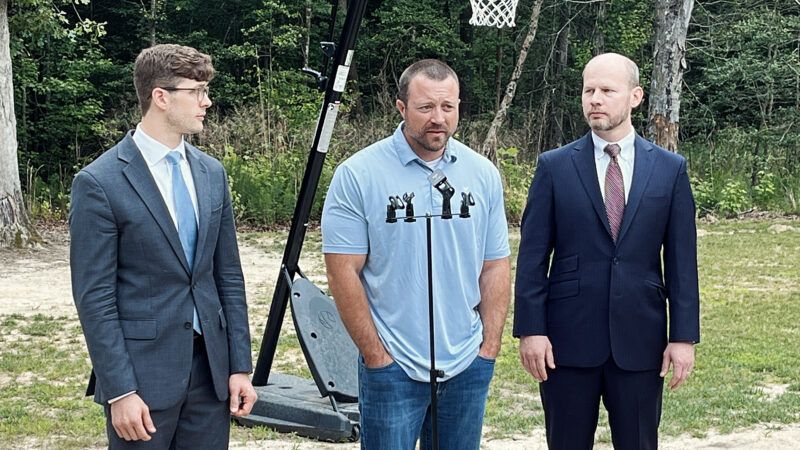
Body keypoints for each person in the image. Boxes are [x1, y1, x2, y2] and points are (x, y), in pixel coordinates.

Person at [70, 44, 256, 449]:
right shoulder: (99, 183)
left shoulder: (212, 173)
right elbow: (94, 297)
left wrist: (240, 366)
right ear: (160, 97)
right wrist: (120, 391)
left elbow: (228, 276)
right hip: (142, 381)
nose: (206, 102)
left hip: (212, 375)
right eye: (197, 91)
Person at [514, 52, 700, 450]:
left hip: (640, 342)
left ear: (635, 96)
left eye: (606, 90)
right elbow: (532, 259)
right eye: (588, 90)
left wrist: (683, 337)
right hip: (566, 344)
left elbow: (683, 263)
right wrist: (531, 330)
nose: (595, 99)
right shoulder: (554, 166)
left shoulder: (670, 169)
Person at [321, 59, 511, 450]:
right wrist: (376, 356)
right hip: (393, 368)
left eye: (448, 107)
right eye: (425, 107)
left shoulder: (483, 174)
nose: (437, 118)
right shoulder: (358, 175)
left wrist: (488, 349)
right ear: (401, 107)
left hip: (466, 366)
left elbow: (494, 266)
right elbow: (343, 272)